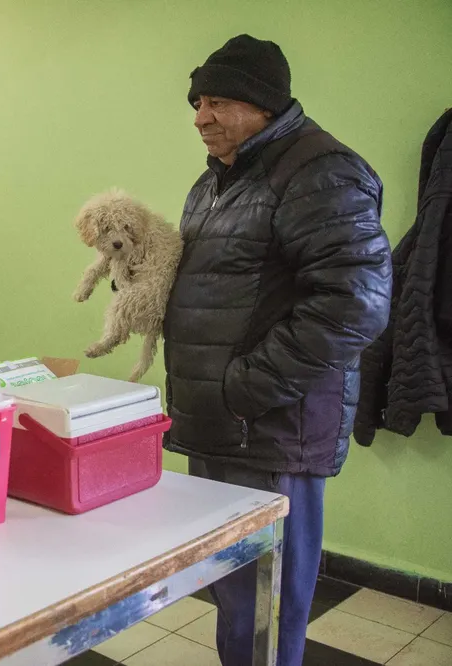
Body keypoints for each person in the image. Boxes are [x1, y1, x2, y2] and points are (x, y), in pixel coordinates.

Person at [162, 35, 392, 666]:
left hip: (269, 429)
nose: (199, 117)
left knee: (268, 604)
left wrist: (243, 388)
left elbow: (355, 304)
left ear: (262, 105)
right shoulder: (220, 180)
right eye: (197, 103)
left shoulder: (320, 170)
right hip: (220, 425)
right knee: (235, 598)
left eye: (216, 102)